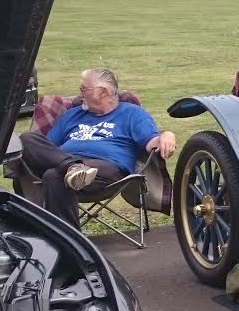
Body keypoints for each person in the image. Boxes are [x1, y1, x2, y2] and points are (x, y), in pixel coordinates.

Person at [18, 68, 176, 229]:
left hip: (107, 169)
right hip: (68, 167)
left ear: (103, 92)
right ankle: (73, 167)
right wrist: (70, 164)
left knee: (54, 175)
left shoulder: (132, 113)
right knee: (26, 139)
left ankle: (67, 239)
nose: (79, 94)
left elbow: (151, 142)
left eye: (83, 89)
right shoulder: (71, 115)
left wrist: (167, 135)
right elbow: (46, 147)